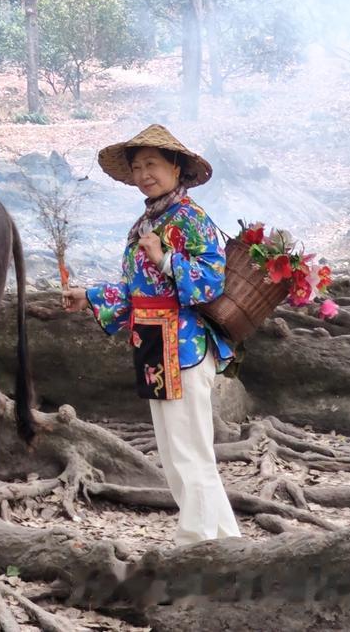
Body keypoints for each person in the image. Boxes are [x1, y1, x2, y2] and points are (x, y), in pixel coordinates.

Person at [61, 121, 241, 545]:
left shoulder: (192, 219)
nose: (144, 174)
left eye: (153, 164)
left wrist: (164, 259)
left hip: (184, 347)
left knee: (189, 450)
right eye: (137, 166)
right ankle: (225, 541)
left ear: (177, 169)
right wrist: (89, 295)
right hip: (153, 347)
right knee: (175, 454)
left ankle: (197, 543)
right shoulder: (148, 220)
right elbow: (136, 291)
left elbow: (211, 281)